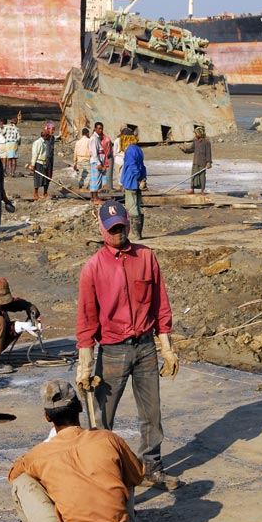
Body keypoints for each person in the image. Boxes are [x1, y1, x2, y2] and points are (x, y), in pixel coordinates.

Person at [76, 200, 180, 490]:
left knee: (152, 414)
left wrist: (167, 348)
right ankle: (100, 474)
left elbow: (161, 305)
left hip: (145, 347)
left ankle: (151, 468)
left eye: (121, 226)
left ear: (129, 224)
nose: (117, 232)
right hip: (112, 350)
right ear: (101, 229)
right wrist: (85, 367)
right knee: (101, 417)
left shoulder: (146, 258)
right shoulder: (93, 268)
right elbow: (86, 321)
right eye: (111, 229)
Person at [7, 380, 144, 522]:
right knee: (126, 467)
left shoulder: (39, 455)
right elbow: (137, 476)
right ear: (80, 407)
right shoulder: (108, 439)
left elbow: (13, 477)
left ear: (47, 417)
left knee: (22, 483)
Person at [121, 130, 147, 240]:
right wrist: (143, 179)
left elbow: (133, 166)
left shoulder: (130, 150)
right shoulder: (138, 149)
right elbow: (142, 166)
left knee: (132, 207)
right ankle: (139, 233)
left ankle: (135, 234)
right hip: (138, 181)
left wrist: (138, 177)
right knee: (138, 206)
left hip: (131, 181)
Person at [180, 126, 212, 195]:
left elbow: (208, 153)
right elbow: (192, 149)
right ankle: (192, 189)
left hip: (202, 162)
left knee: (202, 176)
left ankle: (202, 190)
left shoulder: (206, 142)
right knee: (193, 176)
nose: (195, 135)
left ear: (200, 133)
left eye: (196, 133)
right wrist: (185, 150)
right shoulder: (195, 141)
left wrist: (209, 162)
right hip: (195, 161)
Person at [30, 123, 55, 200]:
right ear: (45, 136)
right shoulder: (37, 143)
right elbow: (35, 154)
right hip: (39, 163)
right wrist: (33, 164)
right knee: (38, 179)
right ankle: (36, 193)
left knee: (46, 179)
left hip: (46, 162)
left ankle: (45, 192)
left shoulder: (47, 141)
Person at [88, 121, 107, 203]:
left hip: (96, 161)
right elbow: (94, 152)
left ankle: (93, 198)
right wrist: (99, 163)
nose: (101, 130)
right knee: (96, 180)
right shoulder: (94, 138)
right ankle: (95, 198)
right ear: (95, 129)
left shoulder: (96, 138)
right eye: (99, 128)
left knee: (94, 179)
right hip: (96, 162)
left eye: (101, 129)